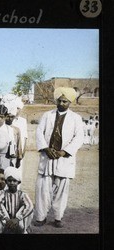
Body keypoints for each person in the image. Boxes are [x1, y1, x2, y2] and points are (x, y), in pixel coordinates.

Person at [34, 87, 84, 228]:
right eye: (60, 100)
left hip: (64, 158)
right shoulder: (47, 115)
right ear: (56, 100)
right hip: (47, 156)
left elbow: (79, 137)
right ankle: (41, 217)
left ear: (70, 102)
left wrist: (64, 152)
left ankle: (58, 217)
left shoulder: (76, 118)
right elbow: (39, 132)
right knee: (43, 188)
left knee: (62, 189)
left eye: (65, 101)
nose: (61, 103)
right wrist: (45, 148)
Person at [0, 166, 33, 234]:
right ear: (6, 182)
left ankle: (25, 229)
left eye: (14, 181)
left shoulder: (22, 194)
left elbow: (29, 206)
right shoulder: (3, 193)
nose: (12, 183)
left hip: (19, 219)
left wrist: (17, 219)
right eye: (9, 180)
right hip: (6, 219)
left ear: (18, 182)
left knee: (28, 207)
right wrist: (7, 219)